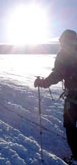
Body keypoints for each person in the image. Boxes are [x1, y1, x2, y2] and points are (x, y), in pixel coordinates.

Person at [34, 29, 77, 162]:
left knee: (69, 125)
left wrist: (43, 83)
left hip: (73, 95)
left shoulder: (64, 53)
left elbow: (58, 74)